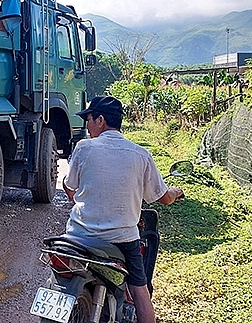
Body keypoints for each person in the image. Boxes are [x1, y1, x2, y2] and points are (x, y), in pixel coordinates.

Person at [62, 96, 183, 323]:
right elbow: (164, 198)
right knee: (140, 289)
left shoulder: (83, 147)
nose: (87, 125)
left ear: (101, 120)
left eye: (88, 119)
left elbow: (70, 188)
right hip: (122, 239)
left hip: (78, 235)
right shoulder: (140, 155)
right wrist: (176, 192)